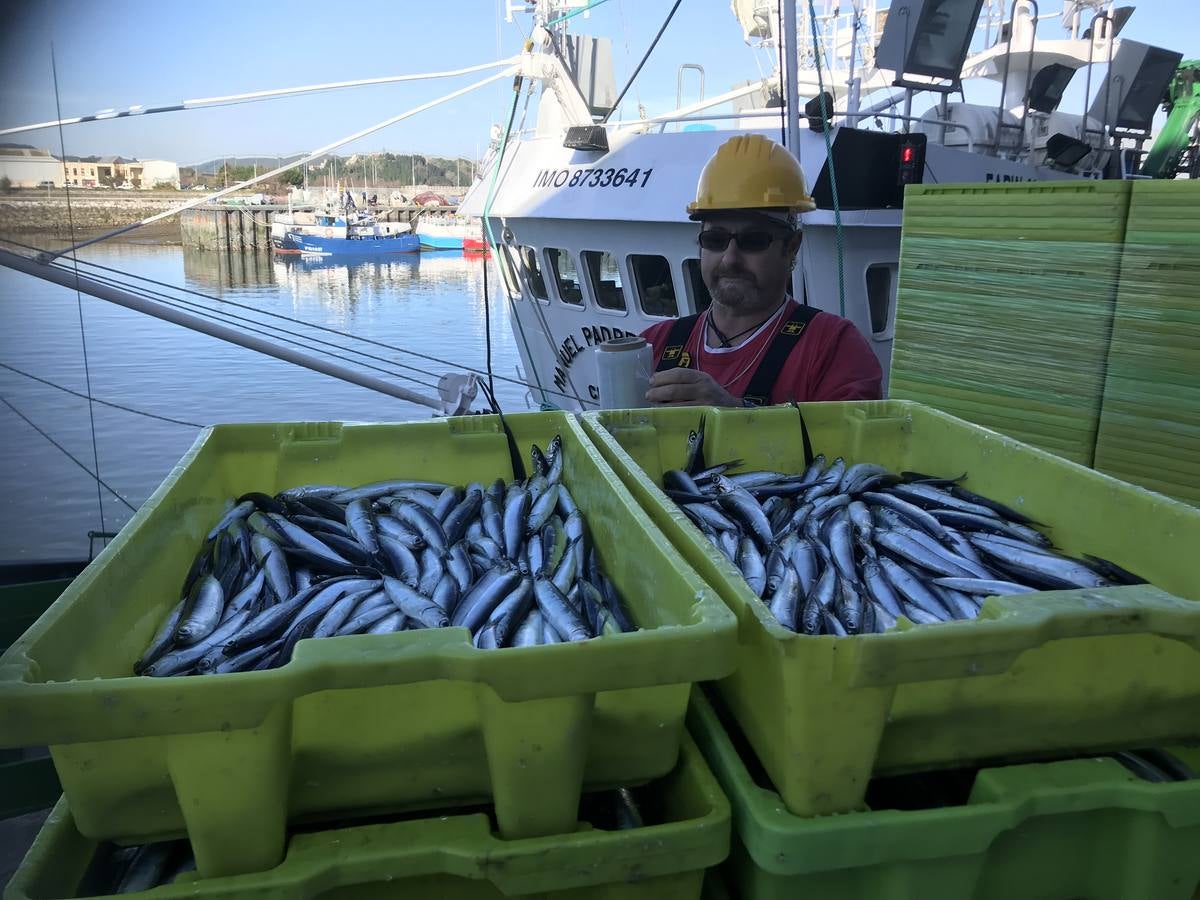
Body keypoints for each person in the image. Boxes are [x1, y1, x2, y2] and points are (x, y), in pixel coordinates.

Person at [642, 133, 882, 407]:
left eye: (753, 241)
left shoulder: (834, 348)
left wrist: (734, 415)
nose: (730, 258)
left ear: (791, 247)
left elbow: (854, 446)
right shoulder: (652, 345)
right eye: (716, 240)